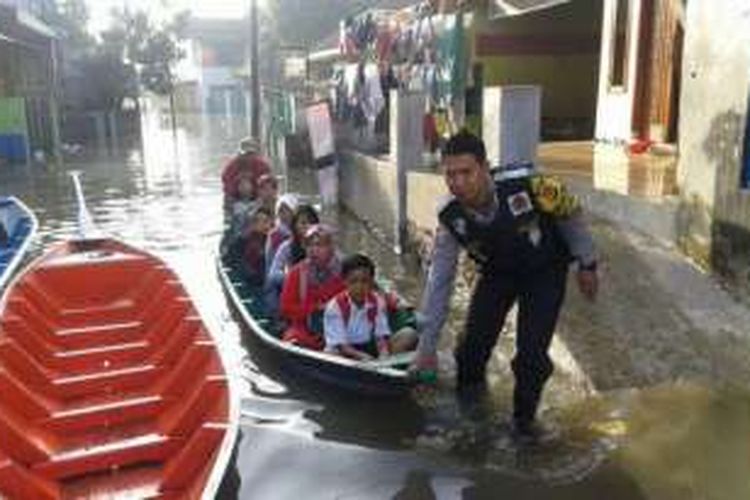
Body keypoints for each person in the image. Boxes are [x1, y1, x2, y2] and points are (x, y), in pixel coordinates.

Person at [411, 130, 599, 440]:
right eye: (450, 174)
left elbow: (571, 214)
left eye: (466, 172)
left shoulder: (532, 184)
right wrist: (426, 348)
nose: (458, 183)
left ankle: (524, 425)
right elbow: (439, 280)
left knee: (530, 357)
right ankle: (472, 412)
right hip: (497, 273)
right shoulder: (450, 217)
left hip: (544, 270)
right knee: (470, 348)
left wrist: (587, 263)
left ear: (485, 168)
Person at [323, 254, 416, 361]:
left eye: (364, 281)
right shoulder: (335, 307)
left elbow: (380, 337)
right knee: (332, 353)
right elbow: (341, 345)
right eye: (353, 281)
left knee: (409, 334)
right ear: (345, 281)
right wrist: (360, 356)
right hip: (344, 351)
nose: (359, 287)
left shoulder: (377, 301)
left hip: (369, 347)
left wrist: (383, 352)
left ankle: (385, 368)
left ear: (371, 282)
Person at [280, 224, 345, 350]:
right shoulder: (296, 273)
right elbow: (286, 309)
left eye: (320, 245)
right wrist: (316, 308)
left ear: (331, 248)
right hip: (305, 330)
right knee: (292, 339)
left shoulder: (344, 271)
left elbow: (363, 294)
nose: (313, 249)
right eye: (310, 245)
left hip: (339, 329)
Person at [265, 204, 320, 314]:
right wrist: (293, 278)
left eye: (311, 223)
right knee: (273, 286)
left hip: (315, 289)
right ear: (295, 225)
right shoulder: (287, 247)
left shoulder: (322, 245)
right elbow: (273, 274)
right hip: (292, 289)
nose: (307, 226)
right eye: (303, 223)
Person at [221, 137, 272, 211]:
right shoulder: (232, 166)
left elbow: (269, 183)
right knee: (228, 200)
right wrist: (237, 180)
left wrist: (255, 184)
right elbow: (226, 183)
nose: (248, 157)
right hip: (236, 197)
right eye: (246, 154)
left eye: (251, 154)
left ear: (255, 154)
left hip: (258, 196)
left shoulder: (263, 166)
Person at [265, 193, 299, 272]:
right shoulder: (274, 234)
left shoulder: (299, 232)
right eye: (281, 211)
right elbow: (269, 261)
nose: (284, 214)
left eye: (287, 210)